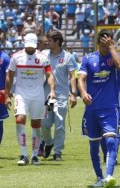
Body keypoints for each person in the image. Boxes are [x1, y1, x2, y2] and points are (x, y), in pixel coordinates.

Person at [78, 29, 120, 188]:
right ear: (98, 41)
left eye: (108, 40)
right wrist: (83, 92)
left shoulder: (116, 58)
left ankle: (109, 176)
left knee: (110, 140)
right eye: (103, 40)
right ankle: (99, 178)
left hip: (111, 107)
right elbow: (81, 78)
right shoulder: (88, 59)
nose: (105, 42)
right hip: (92, 108)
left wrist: (112, 48)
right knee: (94, 144)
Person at [5, 33, 56, 166]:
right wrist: (6, 95)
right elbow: (9, 76)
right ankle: (23, 154)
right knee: (20, 119)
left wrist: (52, 91)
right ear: (24, 44)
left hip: (38, 95)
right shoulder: (16, 57)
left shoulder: (43, 58)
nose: (30, 49)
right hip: (21, 94)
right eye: (28, 46)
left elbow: (49, 75)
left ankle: (34, 156)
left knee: (36, 124)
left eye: (32, 46)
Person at [41, 31, 78, 161]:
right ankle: (49, 142)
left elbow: (73, 76)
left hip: (61, 96)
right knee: (44, 124)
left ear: (57, 42)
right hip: (47, 96)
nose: (47, 43)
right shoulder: (44, 55)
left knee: (59, 125)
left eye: (50, 40)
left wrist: (73, 94)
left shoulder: (68, 57)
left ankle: (57, 152)